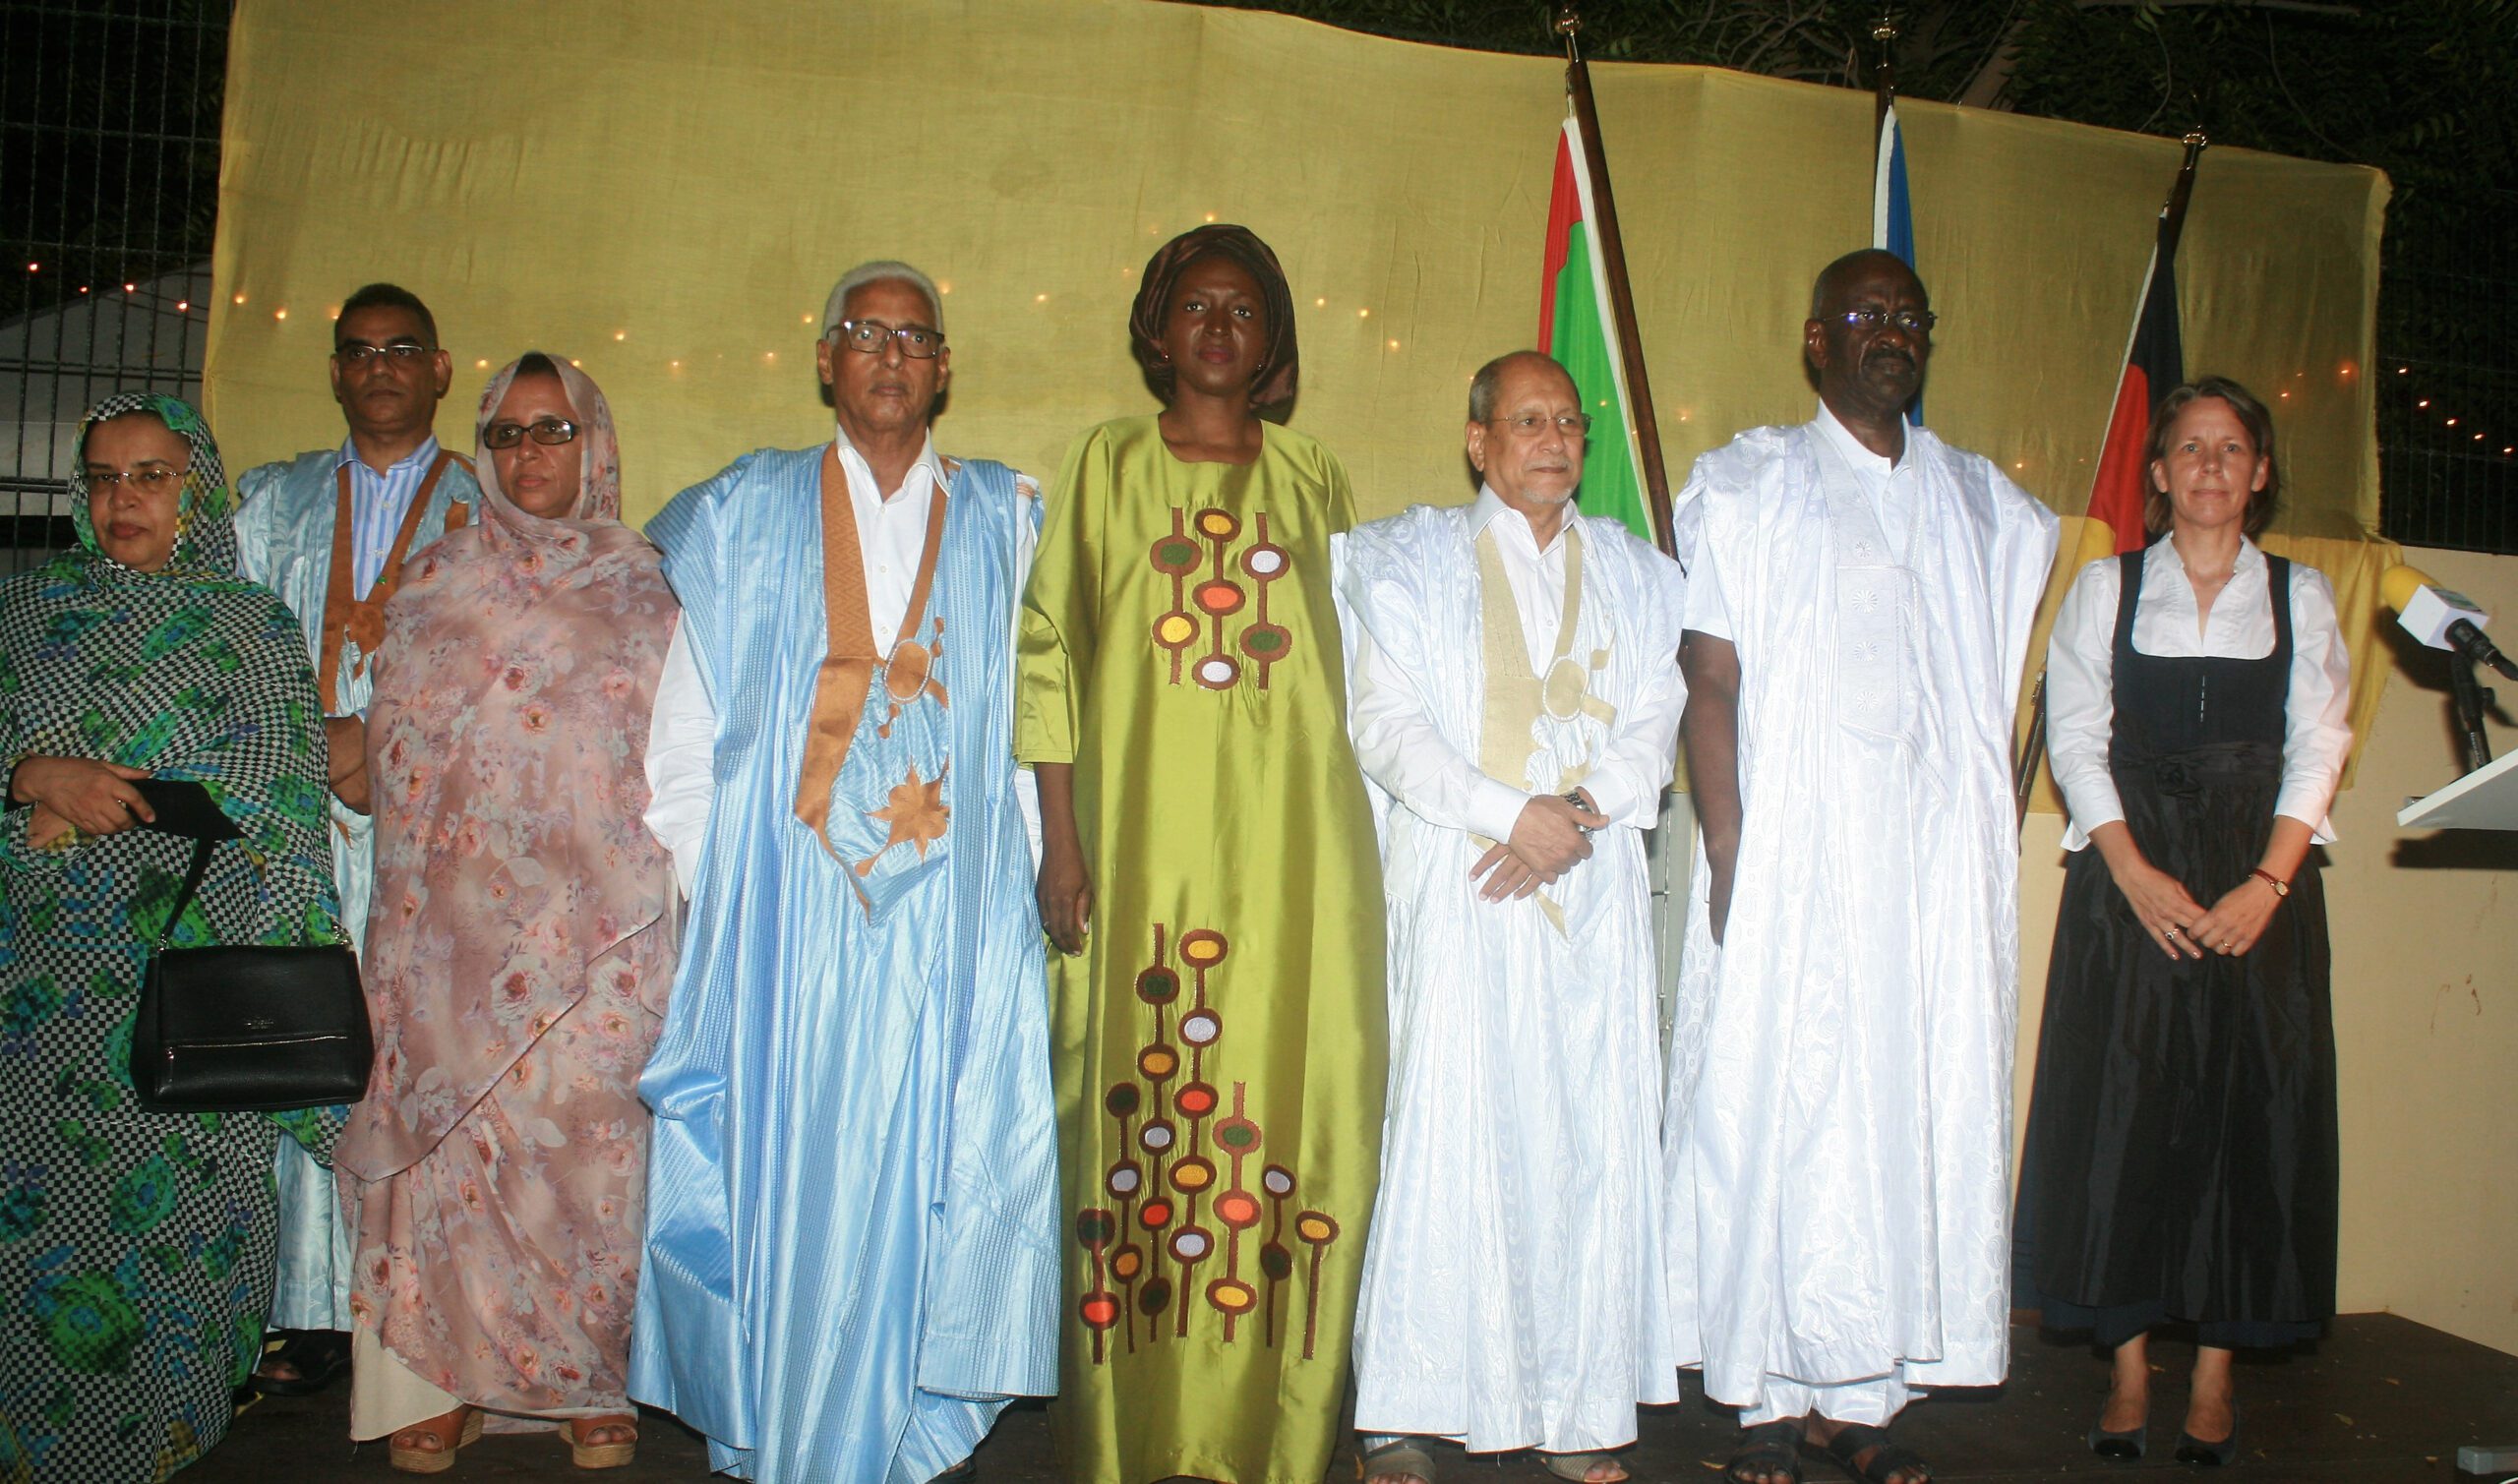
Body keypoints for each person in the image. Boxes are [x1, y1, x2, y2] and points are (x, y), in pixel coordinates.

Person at [631, 261, 1058, 1484]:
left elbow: (1032, 728)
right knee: (791, 1176)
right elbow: (686, 730)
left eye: (914, 337)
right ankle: (792, 1433)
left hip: (951, 919)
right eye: (865, 332)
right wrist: (729, 891)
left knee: (931, 1166)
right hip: (784, 920)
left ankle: (899, 1433)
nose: (889, 354)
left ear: (943, 369)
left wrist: (1016, 892)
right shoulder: (742, 511)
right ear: (825, 358)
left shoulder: (1006, 515)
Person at [1664, 249, 2060, 1484]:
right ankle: (1766, 1397)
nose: (1889, 331)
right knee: (1779, 1100)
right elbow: (1709, 676)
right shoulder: (1748, 484)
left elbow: (1997, 700)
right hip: (1790, 851)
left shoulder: (1986, 508)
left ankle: (1861, 1402)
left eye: (1907, 316)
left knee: (1903, 1105)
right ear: (1814, 339)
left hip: (1927, 878)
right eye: (1863, 314)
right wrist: (1729, 842)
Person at [1021, 222, 1387, 1484]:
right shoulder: (1103, 467)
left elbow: (1361, 681)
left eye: (1243, 309)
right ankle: (1135, 1435)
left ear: (1272, 336)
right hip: (1137, 855)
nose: (1219, 327)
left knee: (1291, 1098)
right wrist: (1060, 842)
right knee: (1138, 1109)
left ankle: (1271, 1435)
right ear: (1156, 328)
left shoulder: (1316, 481)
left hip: (1294, 861)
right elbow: (1049, 656)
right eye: (1196, 305)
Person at [1336, 351, 1688, 1484]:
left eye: (1568, 422)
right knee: (1441, 1134)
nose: (1552, 440)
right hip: (1461, 883)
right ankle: (1406, 1410)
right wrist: (1507, 815)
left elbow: (1656, 713)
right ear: (1477, 440)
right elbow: (1385, 726)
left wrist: (1573, 816)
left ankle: (1571, 1407)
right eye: (1526, 421)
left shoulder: (1638, 575)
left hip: (1587, 883)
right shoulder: (1402, 563)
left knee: (1582, 1144)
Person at [332, 355, 680, 1473]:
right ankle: (440, 1380)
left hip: (600, 930)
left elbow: (676, 759)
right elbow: (394, 750)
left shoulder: (647, 587)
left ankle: (587, 1380)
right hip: (452, 933)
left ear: (595, 444)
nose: (531, 453)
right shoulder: (436, 579)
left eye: (554, 430)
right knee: (451, 1148)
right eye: (510, 433)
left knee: (587, 1151)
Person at [0, 393, 343, 1481]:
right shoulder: (24, 612)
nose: (124, 499)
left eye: (150, 475)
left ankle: (157, 1451)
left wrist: (105, 794)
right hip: (38, 996)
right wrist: (32, 774)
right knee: (32, 1228)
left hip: (188, 984)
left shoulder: (247, 625)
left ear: (193, 487)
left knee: (179, 1233)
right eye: (103, 477)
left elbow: (279, 783)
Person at [2021, 376, 2348, 1467]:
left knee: (2245, 1118)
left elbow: (2319, 744)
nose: (2211, 465)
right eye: (2191, 448)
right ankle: (2127, 1368)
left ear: (2260, 473)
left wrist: (2268, 884)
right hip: (2132, 882)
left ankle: (2213, 1374)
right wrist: (2130, 869)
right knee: (2126, 1114)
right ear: (2158, 473)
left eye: (2231, 448)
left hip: (2259, 883)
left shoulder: (2301, 595)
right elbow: (2076, 737)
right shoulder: (2105, 588)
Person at [231, 281, 483, 1396]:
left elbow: (503, 678)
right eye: (360, 350)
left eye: (403, 348)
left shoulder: (488, 507)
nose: (381, 365)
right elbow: (226, 647)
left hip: (425, 833)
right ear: (335, 371)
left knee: (405, 1049)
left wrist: (379, 743)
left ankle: (404, 1297)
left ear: (439, 369)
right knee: (290, 1031)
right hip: (286, 815)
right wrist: (305, 744)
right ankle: (300, 1305)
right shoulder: (271, 501)